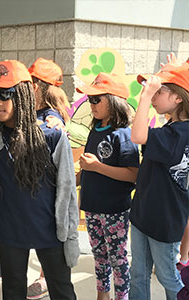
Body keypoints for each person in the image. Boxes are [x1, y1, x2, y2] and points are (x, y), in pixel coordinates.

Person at [0, 60, 78, 300]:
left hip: (50, 230)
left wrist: (70, 234)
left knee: (62, 289)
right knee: (12, 291)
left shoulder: (51, 134)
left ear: (22, 93)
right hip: (9, 229)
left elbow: (68, 189)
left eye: (5, 94)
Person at [75, 73, 139, 300]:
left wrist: (97, 168)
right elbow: (89, 167)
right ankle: (103, 295)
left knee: (118, 259)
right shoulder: (95, 130)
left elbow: (133, 175)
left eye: (96, 99)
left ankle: (121, 297)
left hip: (114, 210)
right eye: (89, 99)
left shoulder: (124, 135)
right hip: (91, 207)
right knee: (99, 256)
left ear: (114, 101)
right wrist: (76, 179)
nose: (91, 104)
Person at [129, 64, 189, 299]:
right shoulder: (174, 129)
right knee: (139, 273)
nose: (153, 97)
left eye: (158, 92)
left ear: (177, 98)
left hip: (162, 221)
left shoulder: (178, 134)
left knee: (167, 277)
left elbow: (138, 136)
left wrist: (144, 97)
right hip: (147, 214)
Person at [25, 57, 72, 300]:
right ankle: (45, 278)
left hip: (47, 202)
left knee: (57, 275)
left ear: (37, 86)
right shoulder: (37, 112)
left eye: (28, 83)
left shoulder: (51, 119)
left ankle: (45, 279)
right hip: (40, 200)